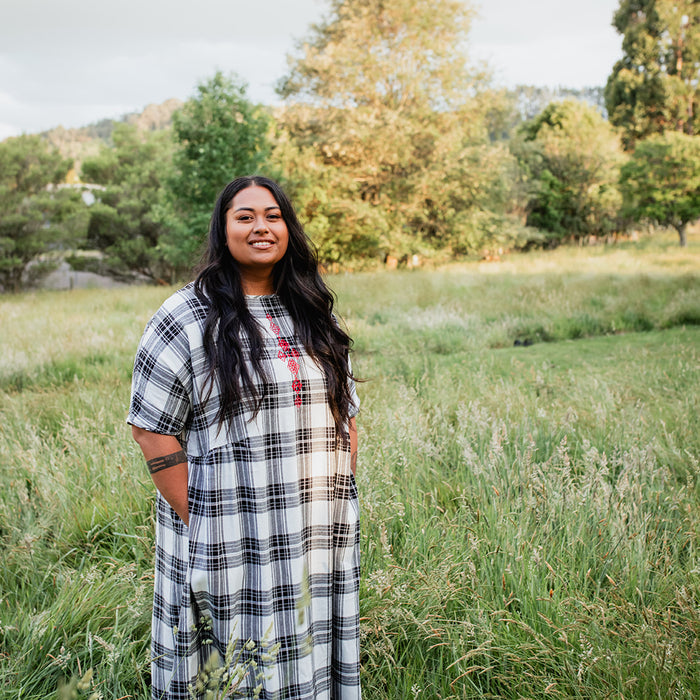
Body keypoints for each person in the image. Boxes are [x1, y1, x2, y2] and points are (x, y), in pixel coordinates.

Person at [128, 175, 360, 699]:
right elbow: (151, 429)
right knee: (231, 665)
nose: (261, 226)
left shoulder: (313, 311)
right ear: (223, 229)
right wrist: (203, 517)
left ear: (288, 228)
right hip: (227, 531)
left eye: (273, 216)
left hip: (314, 527)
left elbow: (344, 414)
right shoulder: (184, 316)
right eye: (245, 216)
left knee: (308, 646)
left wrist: (340, 499)